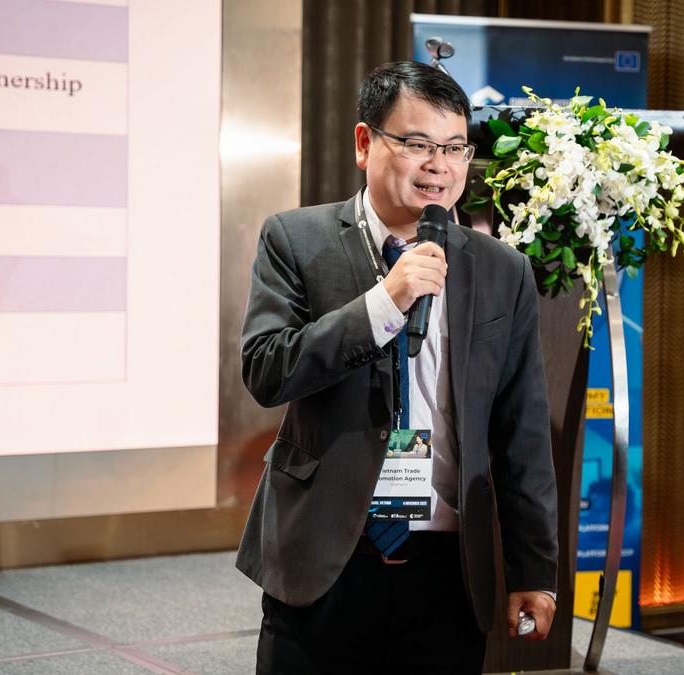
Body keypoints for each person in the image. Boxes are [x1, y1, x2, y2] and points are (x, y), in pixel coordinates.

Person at [237, 60, 558, 674]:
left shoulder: (502, 269)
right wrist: (384, 303)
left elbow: (522, 432)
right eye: (416, 144)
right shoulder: (295, 239)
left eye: (454, 148)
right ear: (365, 143)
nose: (439, 166)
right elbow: (267, 370)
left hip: (447, 566)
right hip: (326, 553)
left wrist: (534, 569)